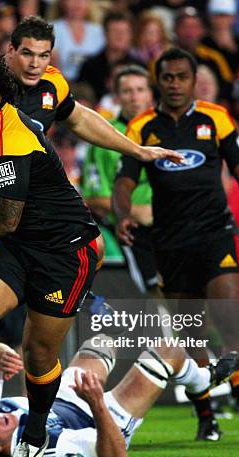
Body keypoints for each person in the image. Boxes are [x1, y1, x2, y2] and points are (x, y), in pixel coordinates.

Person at [0, 39, 179, 457]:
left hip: (65, 250)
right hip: (18, 245)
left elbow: (1, 218)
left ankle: (33, 440)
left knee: (38, 355)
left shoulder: (12, 136)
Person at [113, 48, 239, 443]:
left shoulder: (215, 118)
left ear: (193, 80)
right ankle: (206, 416)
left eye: (181, 77)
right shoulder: (141, 127)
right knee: (192, 333)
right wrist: (122, 214)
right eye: (167, 77)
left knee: (229, 316)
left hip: (215, 233)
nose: (174, 84)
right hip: (170, 242)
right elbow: (125, 181)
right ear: (159, 81)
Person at [0, 336, 238, 457]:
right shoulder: (46, 446)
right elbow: (116, 454)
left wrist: (2, 353)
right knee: (167, 351)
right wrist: (97, 403)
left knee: (101, 343)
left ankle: (200, 381)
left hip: (64, 396)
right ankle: (203, 381)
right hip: (103, 419)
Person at [81, 65, 157, 293]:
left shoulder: (168, 130)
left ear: (150, 94)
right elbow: (95, 199)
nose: (135, 97)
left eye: (140, 89)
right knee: (157, 294)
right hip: (132, 231)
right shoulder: (105, 138)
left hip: (173, 226)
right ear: (116, 97)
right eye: (127, 91)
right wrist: (139, 211)